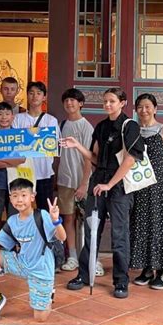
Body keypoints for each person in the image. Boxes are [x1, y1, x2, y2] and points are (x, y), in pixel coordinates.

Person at [61, 87, 144, 299]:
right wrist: (78, 146)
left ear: (122, 102)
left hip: (119, 188)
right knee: (91, 231)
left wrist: (110, 184)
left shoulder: (130, 126)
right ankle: (84, 275)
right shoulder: (101, 126)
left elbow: (130, 160)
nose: (107, 104)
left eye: (112, 101)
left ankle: (121, 281)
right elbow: (95, 158)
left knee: (119, 235)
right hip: (98, 186)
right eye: (105, 101)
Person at [0, 178, 66, 323]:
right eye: (15, 196)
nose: (19, 200)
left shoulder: (42, 215)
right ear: (10, 199)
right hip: (21, 263)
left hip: (41, 269)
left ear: (32, 197)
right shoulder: (13, 220)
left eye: (23, 195)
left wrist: (56, 220)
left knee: (40, 318)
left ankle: (48, 293)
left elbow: (62, 237)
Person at [130, 93, 163, 290]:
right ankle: (148, 268)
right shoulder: (133, 131)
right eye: (140, 107)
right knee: (143, 225)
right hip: (141, 186)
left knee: (162, 226)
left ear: (155, 109)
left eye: (148, 106)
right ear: (135, 110)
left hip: (162, 186)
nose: (144, 110)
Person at [56, 88, 94, 272]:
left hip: (82, 181)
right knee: (67, 218)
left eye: (73, 100)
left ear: (81, 103)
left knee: (88, 220)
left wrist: (84, 183)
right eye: (66, 100)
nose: (69, 103)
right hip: (65, 180)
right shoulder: (61, 125)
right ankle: (72, 256)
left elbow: (89, 157)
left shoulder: (86, 126)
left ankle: (91, 257)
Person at [13, 81, 58, 211]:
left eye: (38, 93)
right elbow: (15, 144)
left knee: (45, 211)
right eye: (31, 93)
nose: (34, 96)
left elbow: (51, 146)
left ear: (44, 97)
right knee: (22, 209)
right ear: (27, 95)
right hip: (23, 172)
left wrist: (27, 142)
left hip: (44, 172)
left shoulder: (51, 120)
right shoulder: (18, 119)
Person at [0, 101, 25, 240]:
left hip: (16, 183)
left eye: (7, 114)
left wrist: (2, 160)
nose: (4, 117)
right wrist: (11, 161)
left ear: (13, 117)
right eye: (0, 114)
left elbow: (21, 160)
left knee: (16, 220)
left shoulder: (19, 136)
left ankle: (14, 254)